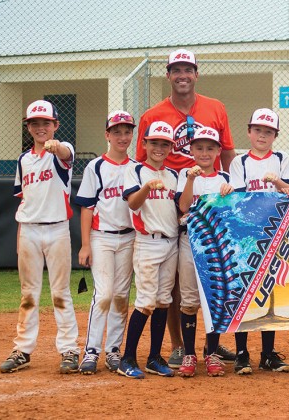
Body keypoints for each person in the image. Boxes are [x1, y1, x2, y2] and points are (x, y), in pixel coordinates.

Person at [135, 48, 237, 367]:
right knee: (180, 279)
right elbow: (143, 163)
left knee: (215, 274)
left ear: (196, 73)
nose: (182, 75)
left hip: (211, 196)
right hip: (170, 193)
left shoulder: (215, 108)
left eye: (188, 69)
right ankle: (180, 345)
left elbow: (229, 153)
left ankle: (212, 344)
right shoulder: (152, 115)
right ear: (168, 75)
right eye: (176, 70)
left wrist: (228, 189)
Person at [0, 100, 80, 374]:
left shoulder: (60, 153)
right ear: (29, 128)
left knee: (61, 293)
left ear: (55, 125)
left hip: (57, 228)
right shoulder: (24, 160)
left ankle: (69, 349)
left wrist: (55, 146)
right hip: (29, 230)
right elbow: (23, 198)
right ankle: (22, 349)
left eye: (46, 123)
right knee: (28, 294)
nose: (40, 127)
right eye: (35, 123)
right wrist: (20, 235)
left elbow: (67, 152)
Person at [229, 108, 289, 374]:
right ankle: (242, 352)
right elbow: (237, 199)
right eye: (258, 130)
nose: (262, 135)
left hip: (274, 233)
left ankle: (267, 353)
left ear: (275, 135)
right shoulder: (240, 162)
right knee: (243, 290)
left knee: (268, 291)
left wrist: (276, 181)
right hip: (246, 235)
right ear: (249, 131)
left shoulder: (281, 158)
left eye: (268, 132)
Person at [75, 110, 137, 374]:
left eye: (127, 131)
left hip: (129, 237)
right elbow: (87, 207)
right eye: (117, 132)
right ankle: (91, 350)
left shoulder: (136, 167)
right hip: (102, 237)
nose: (122, 136)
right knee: (104, 294)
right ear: (107, 135)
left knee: (121, 296)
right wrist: (85, 244)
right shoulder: (96, 167)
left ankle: (113, 350)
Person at [117, 121, 180, 379]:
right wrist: (146, 187)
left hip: (171, 242)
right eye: (154, 142)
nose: (159, 148)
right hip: (147, 242)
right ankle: (127, 358)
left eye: (164, 144)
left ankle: (154, 357)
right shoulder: (135, 171)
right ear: (144, 144)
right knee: (145, 301)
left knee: (164, 301)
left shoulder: (173, 176)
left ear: (171, 148)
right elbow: (132, 204)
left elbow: (178, 209)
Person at [174, 126, 234, 377]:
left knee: (213, 300)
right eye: (199, 147)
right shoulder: (184, 174)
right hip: (190, 241)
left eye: (210, 148)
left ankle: (211, 354)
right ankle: (189, 353)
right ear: (191, 149)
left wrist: (229, 194)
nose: (205, 152)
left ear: (219, 151)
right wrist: (190, 179)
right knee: (189, 301)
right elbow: (184, 206)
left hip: (215, 246)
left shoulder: (224, 178)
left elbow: (231, 214)